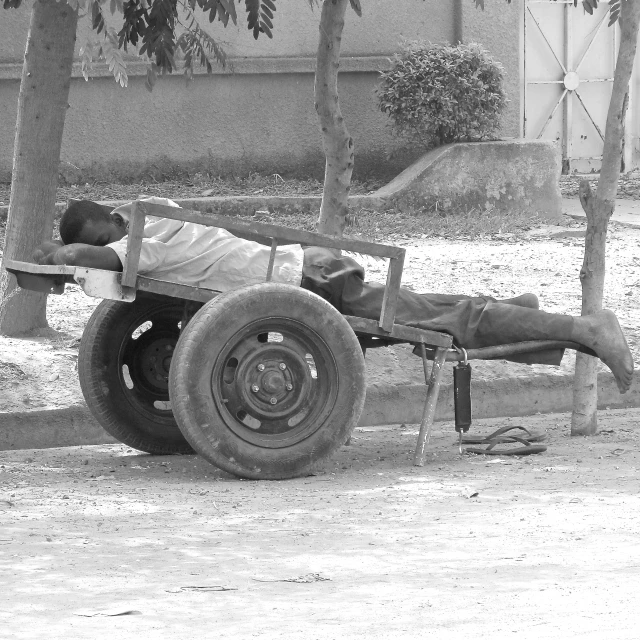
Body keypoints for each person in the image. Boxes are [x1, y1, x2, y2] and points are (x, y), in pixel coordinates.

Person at [34, 197, 635, 394]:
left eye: (101, 238)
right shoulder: (154, 224)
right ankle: (525, 318)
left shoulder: (148, 235)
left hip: (310, 278)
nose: (104, 247)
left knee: (442, 322)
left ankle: (587, 329)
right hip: (307, 272)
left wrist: (63, 256)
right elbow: (106, 254)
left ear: (116, 222)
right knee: (431, 313)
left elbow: (106, 258)